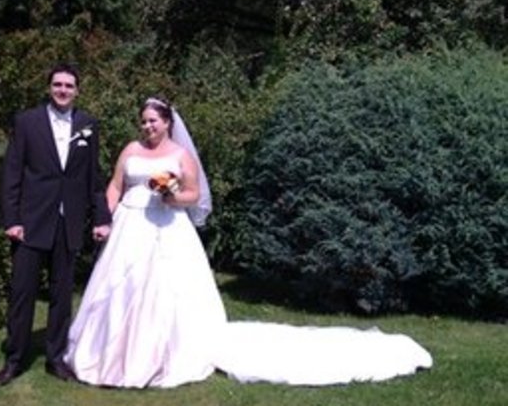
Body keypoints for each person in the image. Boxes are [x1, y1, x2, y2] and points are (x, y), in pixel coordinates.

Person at [64, 97, 433, 388]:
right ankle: (110, 353)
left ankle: (159, 356)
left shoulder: (180, 155)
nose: (147, 127)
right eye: (144, 121)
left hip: (166, 226)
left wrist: (171, 196)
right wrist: (105, 219)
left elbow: (194, 194)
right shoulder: (131, 150)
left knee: (164, 292)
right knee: (119, 287)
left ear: (167, 123)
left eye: (153, 121)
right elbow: (115, 186)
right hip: (130, 226)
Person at [0, 63, 112, 386]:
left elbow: (93, 176)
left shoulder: (88, 124)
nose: (63, 90)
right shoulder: (27, 122)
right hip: (31, 222)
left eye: (69, 85)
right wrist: (12, 219)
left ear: (77, 91)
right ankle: (14, 360)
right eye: (58, 84)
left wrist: (101, 217)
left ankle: (56, 358)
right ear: (49, 88)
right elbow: (12, 173)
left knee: (62, 295)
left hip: (68, 221)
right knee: (22, 294)